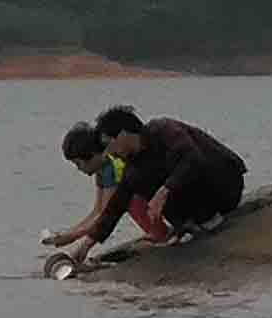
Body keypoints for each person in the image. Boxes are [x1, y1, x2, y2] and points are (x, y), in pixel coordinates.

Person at [46, 104, 249, 255]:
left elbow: (192, 159)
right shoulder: (133, 166)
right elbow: (114, 207)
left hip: (225, 184)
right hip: (201, 204)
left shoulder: (164, 129)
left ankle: (200, 220)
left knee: (178, 170)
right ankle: (189, 224)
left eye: (110, 145)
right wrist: (86, 246)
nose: (110, 153)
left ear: (123, 135)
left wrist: (164, 192)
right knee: (134, 185)